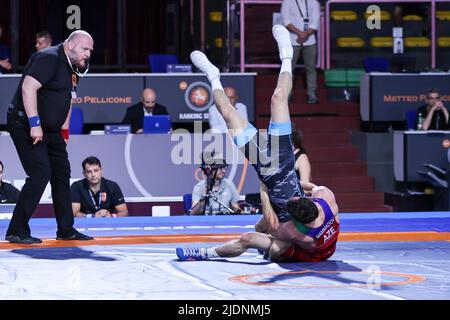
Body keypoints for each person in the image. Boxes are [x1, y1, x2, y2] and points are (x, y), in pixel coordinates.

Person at [177, 25, 339, 262]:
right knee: (278, 98)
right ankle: (286, 55)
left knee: (227, 112)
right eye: (301, 196)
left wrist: (265, 192)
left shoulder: (293, 232)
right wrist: (280, 185)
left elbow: (269, 224)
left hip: (265, 167)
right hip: (284, 158)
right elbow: (310, 185)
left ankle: (213, 75)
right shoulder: (327, 199)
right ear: (310, 201)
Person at [5, 30, 94, 244]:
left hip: (52, 130)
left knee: (61, 173)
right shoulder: (48, 58)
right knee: (40, 172)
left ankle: (66, 229)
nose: (88, 54)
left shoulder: (74, 68)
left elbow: (67, 101)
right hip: (25, 123)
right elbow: (28, 88)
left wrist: (64, 132)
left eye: (91, 50)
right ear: (70, 45)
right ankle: (16, 230)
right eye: (85, 49)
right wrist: (34, 124)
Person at [281, 0, 321, 104]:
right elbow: (286, 21)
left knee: (311, 68)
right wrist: (300, 33)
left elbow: (315, 21)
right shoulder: (287, 2)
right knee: (289, 70)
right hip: (292, 40)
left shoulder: (314, 2)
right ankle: (287, 94)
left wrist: (306, 34)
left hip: (310, 40)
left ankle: (311, 93)